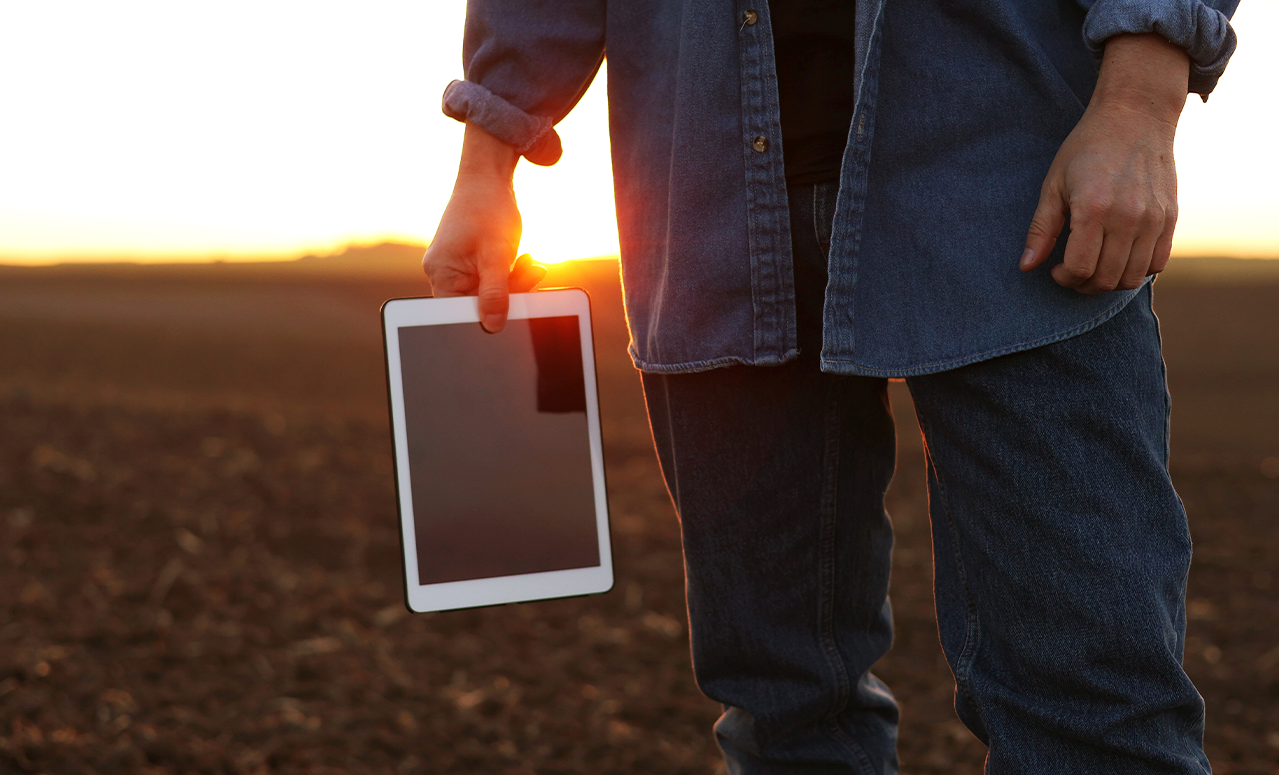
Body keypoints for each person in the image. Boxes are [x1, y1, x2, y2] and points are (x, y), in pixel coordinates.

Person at [422, 1, 1240, 772]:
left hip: (1014, 191)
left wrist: (1141, 95)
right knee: (785, 716)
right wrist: (485, 162)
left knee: (1094, 702)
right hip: (707, 209)